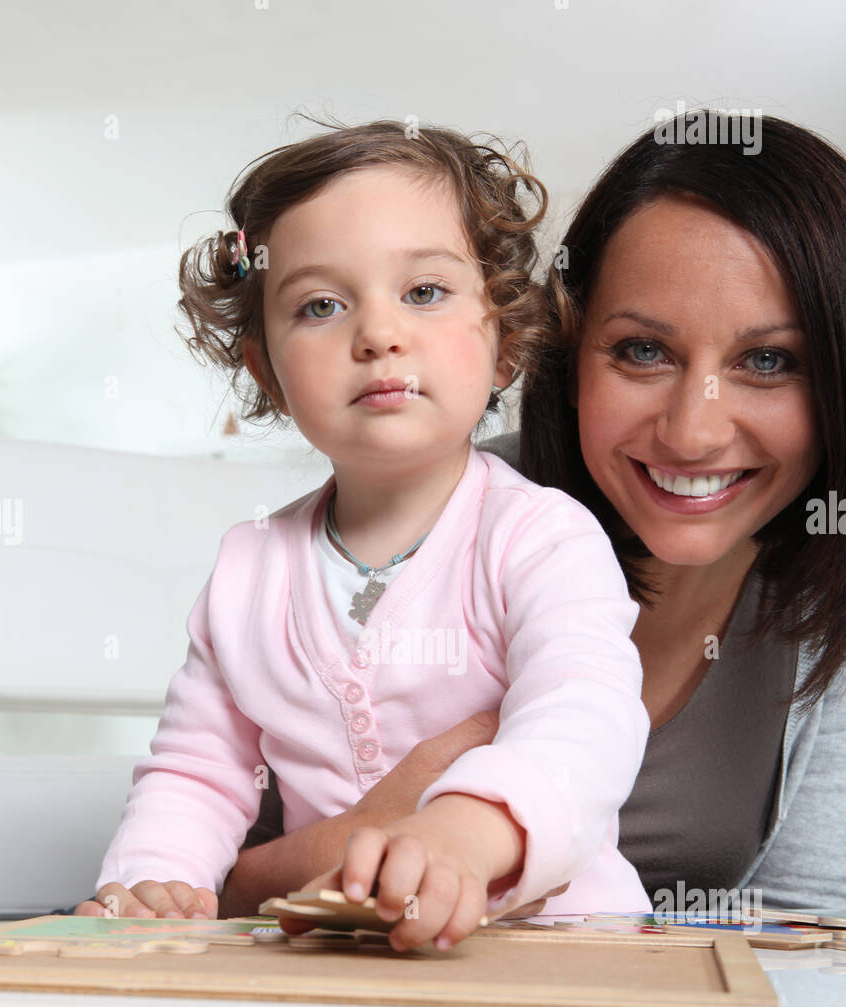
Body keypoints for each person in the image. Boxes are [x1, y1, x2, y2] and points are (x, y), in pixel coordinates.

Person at [219, 110, 846, 921]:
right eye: (642, 351)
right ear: (561, 341)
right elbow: (216, 880)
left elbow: (812, 953)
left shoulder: (826, 594)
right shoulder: (427, 501)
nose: (694, 431)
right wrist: (370, 837)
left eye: (768, 361)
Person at [73, 117, 652, 947]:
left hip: (553, 942)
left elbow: (584, 715)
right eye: (321, 305)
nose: (378, 334)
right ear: (266, 371)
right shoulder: (248, 569)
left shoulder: (543, 539)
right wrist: (154, 881)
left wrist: (465, 833)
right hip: (342, 959)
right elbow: (196, 771)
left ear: (504, 338)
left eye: (424, 292)